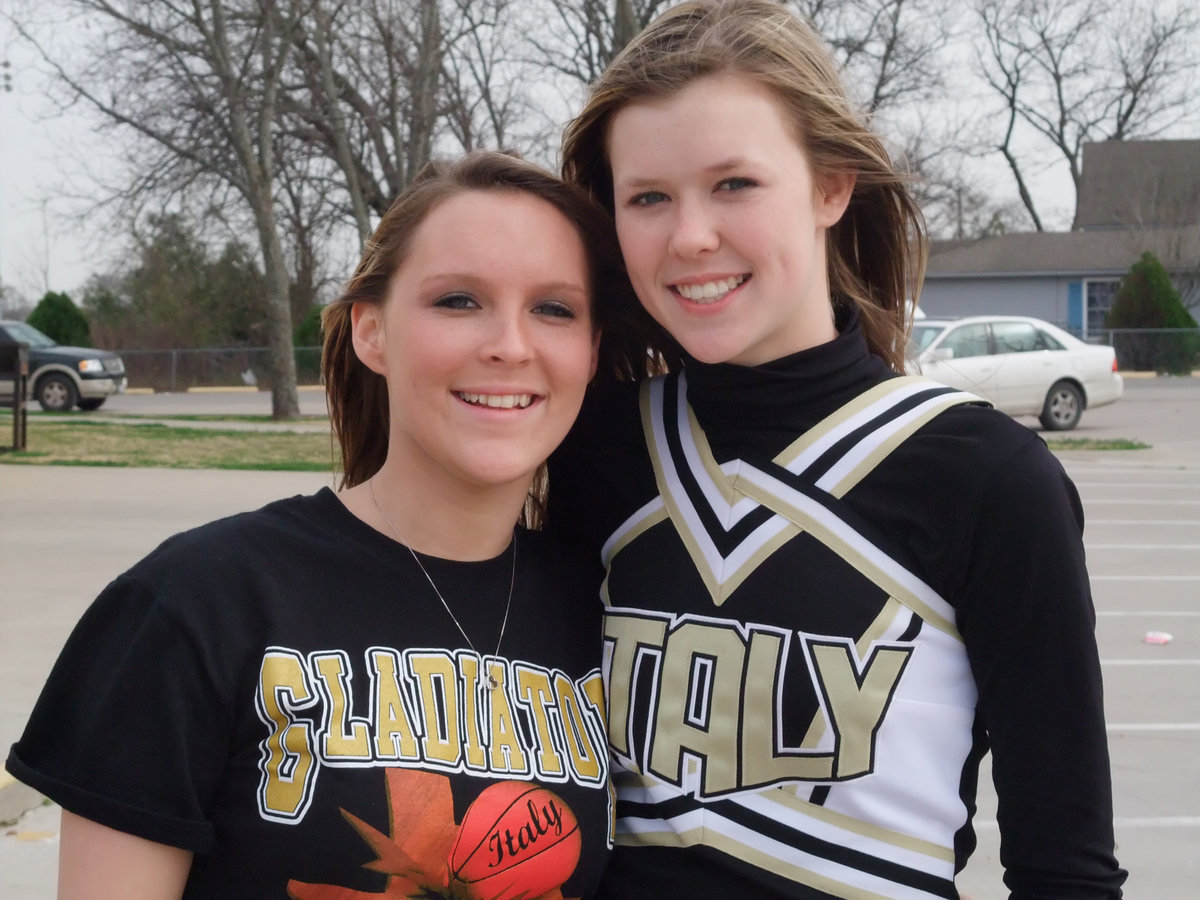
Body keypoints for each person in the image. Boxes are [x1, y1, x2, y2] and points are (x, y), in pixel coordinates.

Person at [548, 2, 1127, 898]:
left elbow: (1066, 870)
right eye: (648, 197)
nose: (690, 235)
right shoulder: (592, 443)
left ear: (831, 187)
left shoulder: (987, 476)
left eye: (734, 183)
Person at [7, 151, 627, 899]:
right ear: (372, 331)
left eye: (554, 309)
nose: (510, 344)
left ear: (591, 351)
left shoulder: (615, 611)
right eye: (459, 300)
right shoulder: (195, 603)